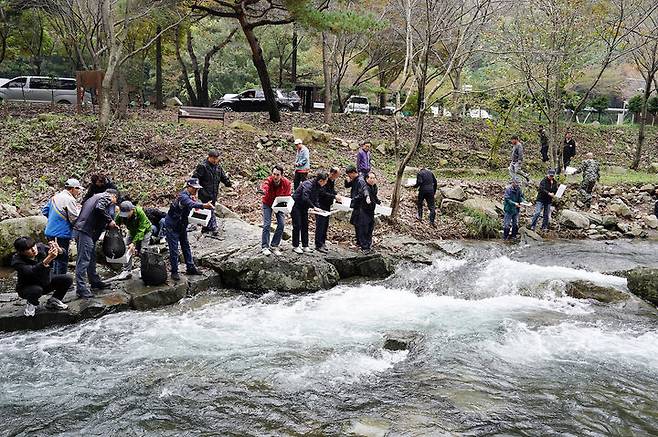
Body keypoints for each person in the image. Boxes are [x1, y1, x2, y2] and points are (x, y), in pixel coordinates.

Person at [164, 178, 213, 280]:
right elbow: (190, 204)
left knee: (186, 246)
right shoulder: (183, 196)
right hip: (172, 226)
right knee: (174, 249)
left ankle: (190, 268)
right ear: (189, 187)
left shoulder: (191, 196)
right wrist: (204, 205)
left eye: (197, 189)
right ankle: (174, 271)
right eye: (194, 188)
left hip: (182, 225)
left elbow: (193, 209)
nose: (196, 191)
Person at [73, 188, 119, 298]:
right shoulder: (106, 197)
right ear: (113, 196)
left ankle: (94, 281)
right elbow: (99, 208)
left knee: (91, 256)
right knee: (83, 260)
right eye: (116, 200)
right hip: (85, 231)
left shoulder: (93, 197)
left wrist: (107, 224)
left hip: (84, 230)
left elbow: (96, 214)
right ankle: (81, 288)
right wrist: (110, 220)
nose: (115, 203)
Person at [11, 237, 71, 317]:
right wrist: (48, 258)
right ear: (21, 252)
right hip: (28, 287)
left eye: (34, 246)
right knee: (36, 290)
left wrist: (58, 250)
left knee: (67, 279)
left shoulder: (40, 247)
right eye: (29, 249)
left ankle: (54, 300)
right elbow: (31, 271)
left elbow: (62, 256)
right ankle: (31, 303)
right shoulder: (17, 261)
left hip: (46, 281)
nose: (33, 249)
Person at [42, 178, 82, 275]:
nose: (79, 191)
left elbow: (44, 211)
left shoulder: (55, 197)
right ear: (72, 189)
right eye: (78, 189)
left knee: (53, 256)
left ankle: (53, 279)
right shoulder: (70, 199)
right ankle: (61, 281)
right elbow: (74, 218)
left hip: (50, 231)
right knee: (62, 258)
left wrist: (53, 218)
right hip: (60, 233)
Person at [192, 150, 232, 235]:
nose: (215, 160)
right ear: (209, 157)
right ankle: (214, 228)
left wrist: (229, 183)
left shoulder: (218, 168)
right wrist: (194, 191)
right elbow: (195, 178)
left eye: (216, 158)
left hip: (214, 193)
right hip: (204, 193)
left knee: (208, 210)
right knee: (210, 209)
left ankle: (205, 228)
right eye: (213, 158)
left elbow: (223, 177)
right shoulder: (203, 166)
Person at [291, 171, 328, 254]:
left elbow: (315, 199)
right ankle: (295, 245)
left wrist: (319, 208)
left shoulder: (317, 186)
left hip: (304, 207)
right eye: (325, 181)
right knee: (297, 225)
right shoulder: (308, 184)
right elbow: (305, 197)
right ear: (321, 181)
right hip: (296, 205)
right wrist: (314, 207)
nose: (325, 183)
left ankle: (305, 245)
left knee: (305, 225)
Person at [260, 165, 291, 256]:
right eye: (274, 174)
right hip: (268, 203)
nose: (275, 177)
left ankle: (274, 245)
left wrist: (286, 207)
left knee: (281, 224)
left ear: (281, 175)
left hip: (279, 203)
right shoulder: (269, 180)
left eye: (277, 175)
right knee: (267, 224)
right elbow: (265, 185)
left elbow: (288, 195)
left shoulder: (286, 183)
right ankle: (265, 246)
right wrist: (263, 190)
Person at [315, 167, 341, 253]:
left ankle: (322, 242)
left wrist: (336, 194)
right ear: (332, 174)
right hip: (321, 204)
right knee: (320, 224)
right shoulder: (324, 179)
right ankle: (318, 244)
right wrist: (334, 196)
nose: (336, 178)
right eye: (336, 176)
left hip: (327, 204)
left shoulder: (332, 181)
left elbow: (331, 190)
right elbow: (322, 193)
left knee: (325, 224)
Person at [344, 165, 369, 250]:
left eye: (349, 174)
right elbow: (347, 186)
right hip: (356, 205)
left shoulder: (360, 181)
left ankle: (363, 244)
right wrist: (346, 181)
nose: (349, 176)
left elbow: (361, 194)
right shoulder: (355, 179)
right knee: (355, 223)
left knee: (359, 225)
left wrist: (352, 200)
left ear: (354, 172)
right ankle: (359, 242)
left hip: (360, 206)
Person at [356, 172, 381, 253]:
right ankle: (364, 247)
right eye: (371, 178)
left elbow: (374, 197)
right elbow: (365, 191)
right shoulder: (365, 186)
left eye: (374, 178)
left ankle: (369, 245)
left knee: (370, 228)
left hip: (371, 211)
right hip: (363, 210)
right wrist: (367, 197)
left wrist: (379, 202)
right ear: (367, 179)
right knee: (364, 229)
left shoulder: (374, 187)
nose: (372, 180)